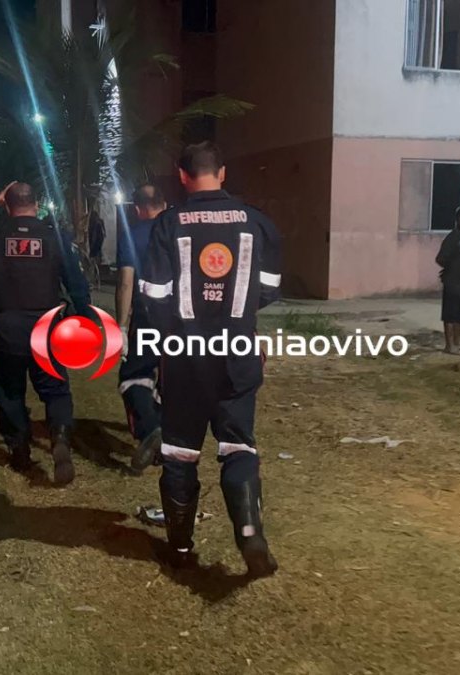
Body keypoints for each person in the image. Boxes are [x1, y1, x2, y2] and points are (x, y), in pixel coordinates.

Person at [139, 141, 283, 578]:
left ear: (182, 176)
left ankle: (181, 548)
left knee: (180, 452)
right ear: (221, 173)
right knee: (238, 445)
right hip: (237, 350)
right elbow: (270, 288)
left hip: (184, 357)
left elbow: (153, 297)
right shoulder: (257, 221)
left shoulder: (167, 224)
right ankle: (249, 532)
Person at [0, 181, 91, 484]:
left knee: (9, 392)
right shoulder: (54, 238)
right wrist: (84, 318)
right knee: (56, 390)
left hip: (8, 332)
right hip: (47, 330)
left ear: (7, 205)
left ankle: (19, 450)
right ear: (37, 204)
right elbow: (76, 284)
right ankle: (59, 437)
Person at [115, 183, 168, 471]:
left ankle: (150, 429)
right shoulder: (181, 230)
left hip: (148, 317)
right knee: (171, 379)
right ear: (164, 203)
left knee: (133, 377)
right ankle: (168, 442)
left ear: (137, 209)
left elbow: (125, 283)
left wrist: (122, 327)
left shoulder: (132, 235)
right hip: (184, 320)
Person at [435, 207, 460, 355]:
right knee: (450, 314)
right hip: (453, 282)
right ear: (457, 219)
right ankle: (449, 345)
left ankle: (457, 342)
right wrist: (451, 268)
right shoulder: (453, 237)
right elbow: (440, 258)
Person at [87, 208, 106, 285]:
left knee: (92, 263)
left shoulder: (95, 224)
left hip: (95, 247)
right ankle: (96, 279)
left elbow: (95, 237)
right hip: (98, 245)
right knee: (95, 263)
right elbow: (103, 235)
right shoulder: (100, 222)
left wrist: (92, 248)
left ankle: (93, 280)